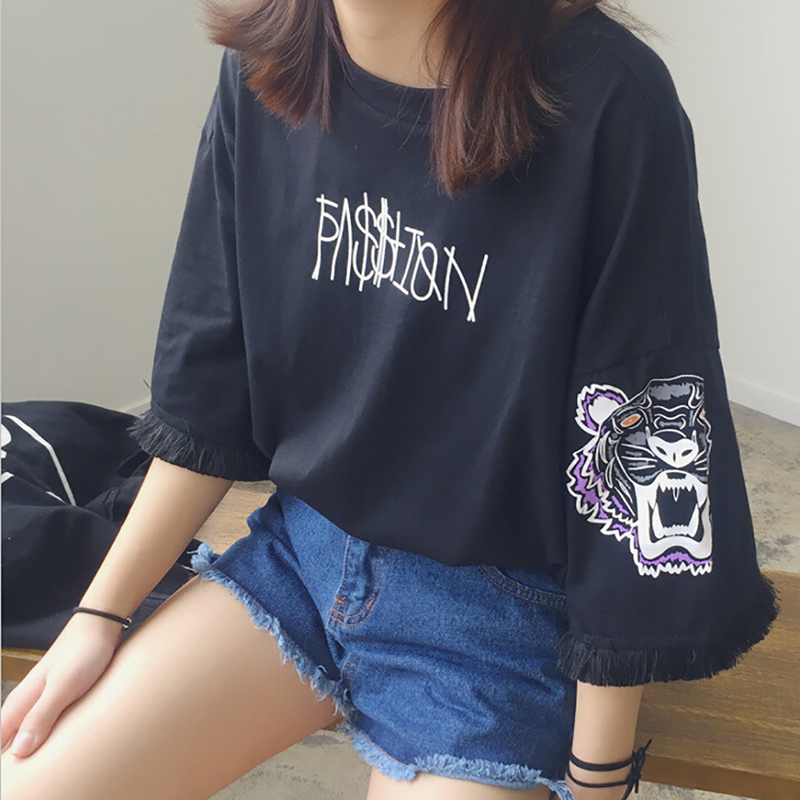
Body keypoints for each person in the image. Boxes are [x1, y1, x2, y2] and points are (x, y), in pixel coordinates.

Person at [1, 0, 779, 798]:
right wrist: (99, 617)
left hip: (496, 623)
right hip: (301, 561)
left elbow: (645, 436)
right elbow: (207, 390)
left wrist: (597, 775)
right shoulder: (267, 63)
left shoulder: (607, 97)